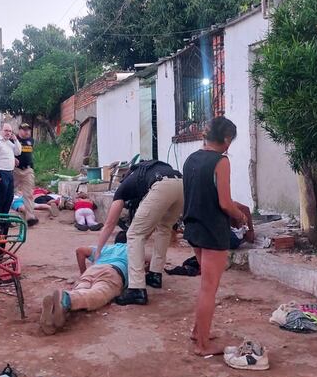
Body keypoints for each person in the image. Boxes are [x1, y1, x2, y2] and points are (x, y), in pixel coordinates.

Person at [182, 116, 246, 356]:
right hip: (212, 231)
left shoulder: (191, 159)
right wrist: (239, 216)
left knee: (205, 285)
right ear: (227, 139)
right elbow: (225, 203)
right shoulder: (221, 161)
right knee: (209, 288)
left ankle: (198, 331)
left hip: (194, 228)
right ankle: (203, 345)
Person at [93, 158, 184, 306]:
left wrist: (98, 251)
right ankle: (155, 275)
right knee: (164, 228)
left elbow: (109, 224)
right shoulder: (147, 172)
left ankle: (136, 288)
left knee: (134, 235)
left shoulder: (123, 189)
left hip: (162, 185)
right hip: (181, 184)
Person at [39, 231, 133, 335]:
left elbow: (80, 251)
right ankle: (66, 298)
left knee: (81, 289)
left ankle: (56, 310)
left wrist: (83, 273)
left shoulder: (106, 248)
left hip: (93, 269)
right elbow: (150, 263)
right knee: (98, 293)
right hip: (114, 271)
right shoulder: (133, 249)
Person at [0, 123, 21, 229]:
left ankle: (4, 219)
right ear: (1, 130)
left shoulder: (8, 143)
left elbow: (18, 152)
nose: (8, 133)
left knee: (9, 197)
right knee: (1, 197)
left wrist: (15, 140)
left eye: (10, 131)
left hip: (9, 172)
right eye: (6, 130)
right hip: (0, 172)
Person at [14, 123, 39, 226]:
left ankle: (29, 216)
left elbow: (29, 155)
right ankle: (6, 215)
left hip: (27, 170)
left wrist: (32, 167)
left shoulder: (30, 141)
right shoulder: (13, 139)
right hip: (15, 170)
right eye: (24, 130)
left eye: (28, 130)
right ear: (19, 130)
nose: (26, 132)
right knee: (7, 192)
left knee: (28, 194)